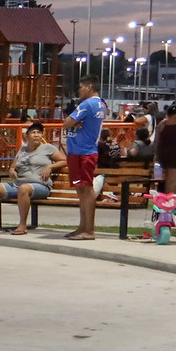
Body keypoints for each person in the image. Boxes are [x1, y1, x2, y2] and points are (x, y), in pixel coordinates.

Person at [0, 123, 57, 235]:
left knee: (24, 188)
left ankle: (22, 225)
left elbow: (64, 161)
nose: (37, 135)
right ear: (27, 137)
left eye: (39, 133)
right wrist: (12, 171)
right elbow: (13, 167)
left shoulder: (48, 148)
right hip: (19, 184)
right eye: (33, 133)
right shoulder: (23, 150)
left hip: (40, 185)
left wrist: (50, 167)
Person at [61, 80, 106, 241]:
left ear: (89, 87)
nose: (79, 90)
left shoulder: (88, 104)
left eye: (81, 87)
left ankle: (89, 229)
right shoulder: (100, 104)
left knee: (86, 190)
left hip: (83, 152)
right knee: (81, 190)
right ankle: (83, 227)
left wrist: (72, 121)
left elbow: (66, 123)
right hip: (80, 151)